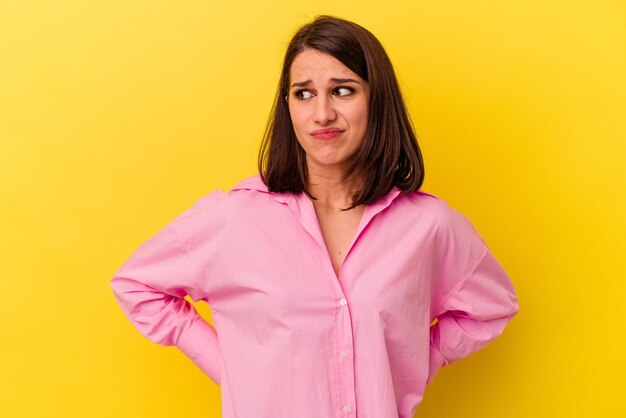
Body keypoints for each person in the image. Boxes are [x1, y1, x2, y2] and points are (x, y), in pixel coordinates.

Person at [110, 15, 519, 417]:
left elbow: (491, 305)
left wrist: (412, 363)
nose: (321, 113)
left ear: (378, 100)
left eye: (342, 90)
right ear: (287, 105)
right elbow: (137, 285)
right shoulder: (234, 218)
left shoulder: (429, 226)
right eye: (303, 94)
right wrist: (232, 369)